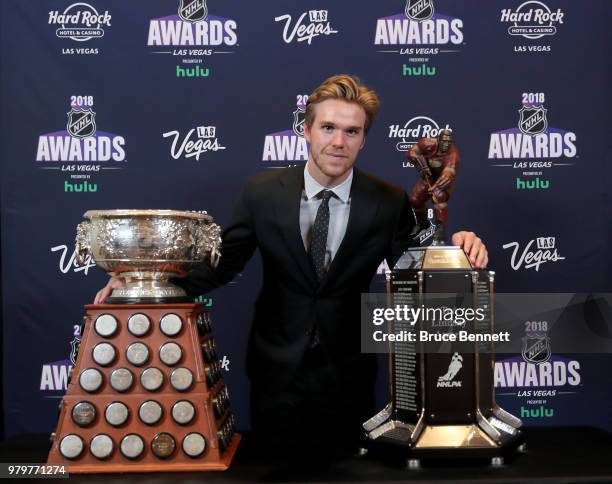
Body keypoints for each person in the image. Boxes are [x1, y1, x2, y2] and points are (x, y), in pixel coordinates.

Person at [95, 74, 487, 456]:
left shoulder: (387, 199)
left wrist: (455, 250)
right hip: (276, 373)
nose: (338, 142)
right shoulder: (262, 193)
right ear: (307, 129)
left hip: (349, 374)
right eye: (328, 127)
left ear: (364, 139)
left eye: (351, 132)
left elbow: (413, 270)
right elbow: (222, 266)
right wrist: (144, 287)